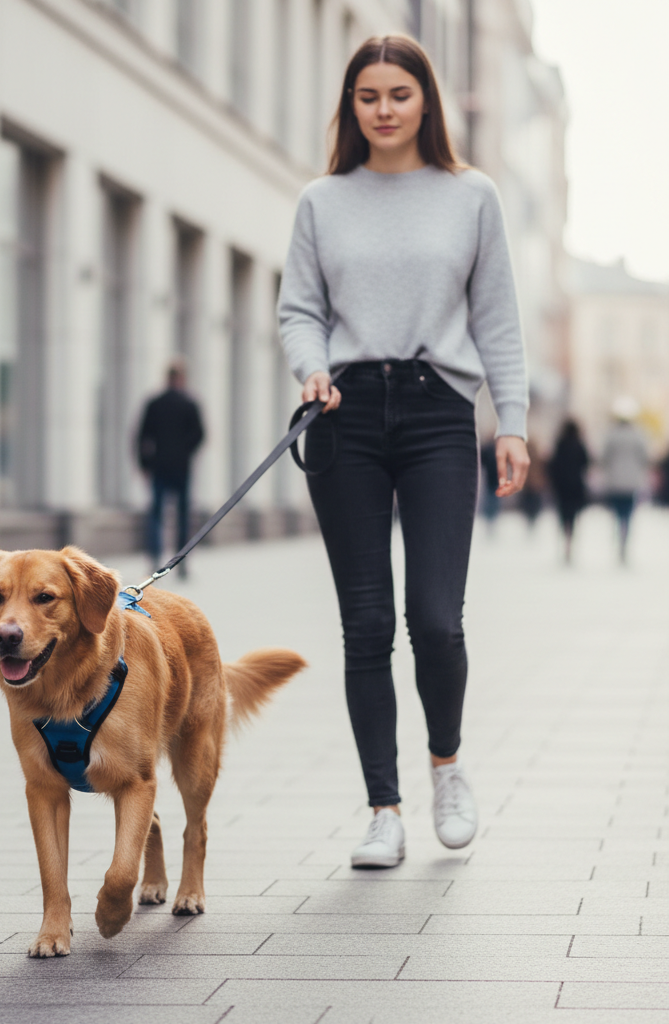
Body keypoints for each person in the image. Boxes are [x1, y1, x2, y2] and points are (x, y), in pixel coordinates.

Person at [278, 35, 529, 869]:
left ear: (427, 100)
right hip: (344, 412)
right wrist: (311, 370)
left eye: (399, 94)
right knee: (366, 624)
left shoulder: (471, 196)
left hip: (436, 415)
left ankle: (447, 767)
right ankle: (383, 809)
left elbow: (496, 316)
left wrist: (515, 421)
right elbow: (298, 311)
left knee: (434, 619)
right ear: (350, 107)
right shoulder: (322, 200)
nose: (384, 110)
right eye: (367, 96)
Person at [137, 361, 204, 576]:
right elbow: (199, 434)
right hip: (181, 467)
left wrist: (145, 464)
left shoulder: (155, 403)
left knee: (157, 513)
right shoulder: (189, 403)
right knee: (182, 515)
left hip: (159, 466)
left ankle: (155, 557)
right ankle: (181, 562)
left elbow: (142, 436)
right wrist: (185, 452)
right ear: (182, 378)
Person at [602, 397, 649, 564]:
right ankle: (624, 542)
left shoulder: (612, 435)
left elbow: (604, 457)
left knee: (616, 514)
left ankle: (618, 540)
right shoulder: (638, 435)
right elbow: (645, 457)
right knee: (628, 515)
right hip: (631, 483)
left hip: (614, 482)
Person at [547, 419, 590, 564]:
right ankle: (569, 542)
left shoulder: (560, 444)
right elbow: (586, 463)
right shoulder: (579, 445)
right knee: (573, 517)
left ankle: (564, 541)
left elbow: (553, 465)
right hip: (576, 487)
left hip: (562, 487)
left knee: (563, 515)